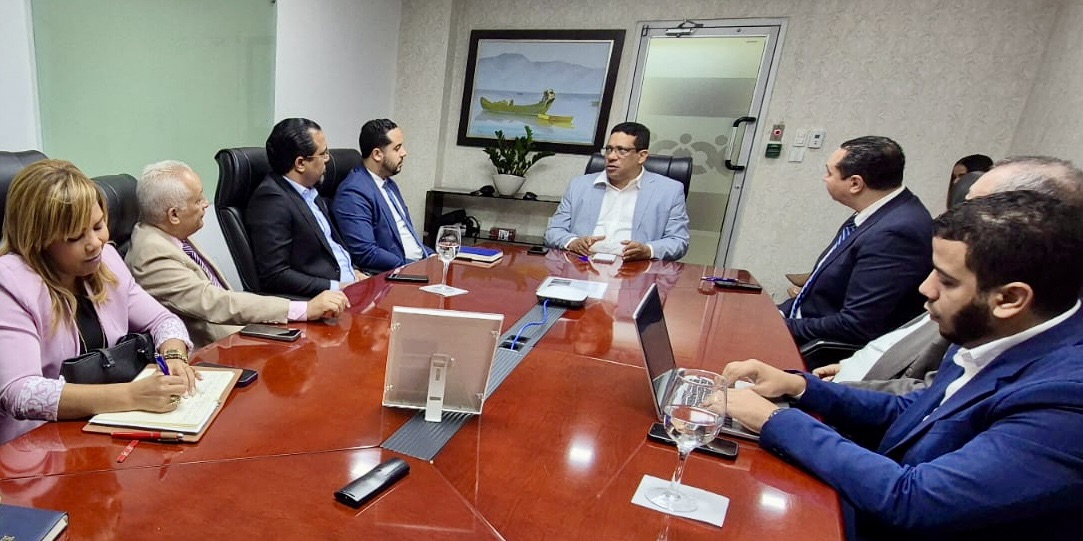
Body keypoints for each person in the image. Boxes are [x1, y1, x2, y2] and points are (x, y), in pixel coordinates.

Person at [711, 190, 1083, 540]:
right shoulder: (995, 332)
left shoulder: (1066, 399)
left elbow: (914, 500)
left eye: (946, 281)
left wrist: (775, 419)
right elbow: (917, 411)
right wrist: (801, 387)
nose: (925, 288)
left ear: (1010, 299)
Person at [813, 155, 1083, 394]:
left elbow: (927, 398)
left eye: (974, 206)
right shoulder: (966, 278)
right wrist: (848, 371)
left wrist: (834, 390)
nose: (957, 214)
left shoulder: (988, 313)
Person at [0, 160, 198, 444]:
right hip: (41, 445)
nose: (95, 243)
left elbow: (162, 320)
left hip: (106, 426)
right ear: (38, 241)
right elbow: (20, 392)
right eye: (75, 237)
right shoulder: (9, 283)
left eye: (98, 226)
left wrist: (174, 356)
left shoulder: (106, 260)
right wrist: (130, 395)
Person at [126, 160, 350, 347]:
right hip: (216, 352)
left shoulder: (171, 232)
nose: (206, 205)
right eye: (198, 200)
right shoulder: (152, 256)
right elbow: (215, 302)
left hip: (241, 333)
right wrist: (304, 308)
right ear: (174, 214)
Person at [779, 136, 932, 350]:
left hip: (820, 350)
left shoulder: (896, 233)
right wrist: (778, 313)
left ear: (855, 183)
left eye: (829, 173)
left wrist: (780, 326)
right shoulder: (876, 213)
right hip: (805, 323)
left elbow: (856, 325)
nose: (825, 179)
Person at [246, 118, 363, 298]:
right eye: (323, 154)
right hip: (324, 299)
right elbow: (275, 275)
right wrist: (337, 287)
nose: (328, 159)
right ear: (300, 163)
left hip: (352, 286)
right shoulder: (271, 200)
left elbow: (332, 248)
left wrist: (354, 272)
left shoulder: (311, 191)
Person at [543, 122, 690, 261]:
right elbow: (553, 231)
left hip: (634, 268)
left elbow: (678, 241)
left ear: (642, 156)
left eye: (622, 150)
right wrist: (573, 242)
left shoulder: (669, 191)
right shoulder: (579, 186)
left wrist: (648, 250)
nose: (611, 157)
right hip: (583, 263)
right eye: (609, 149)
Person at [332, 118, 433, 273]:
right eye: (397, 148)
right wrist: (411, 267)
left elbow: (407, 236)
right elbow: (366, 253)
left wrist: (433, 257)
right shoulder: (353, 193)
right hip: (394, 274)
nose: (404, 153)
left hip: (418, 265)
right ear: (377, 154)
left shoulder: (389, 184)